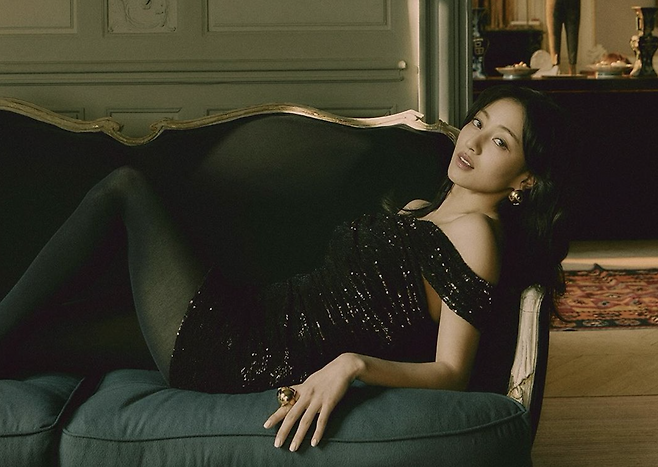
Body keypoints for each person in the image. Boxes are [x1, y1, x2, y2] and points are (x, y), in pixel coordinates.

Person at [0, 85, 569, 452]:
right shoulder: (423, 209)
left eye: (500, 142)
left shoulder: (475, 236)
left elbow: (452, 372)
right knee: (39, 340)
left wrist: (353, 365)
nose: (473, 141)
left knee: (126, 187)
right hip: (247, 314)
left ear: (526, 181)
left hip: (243, 351)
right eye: (477, 122)